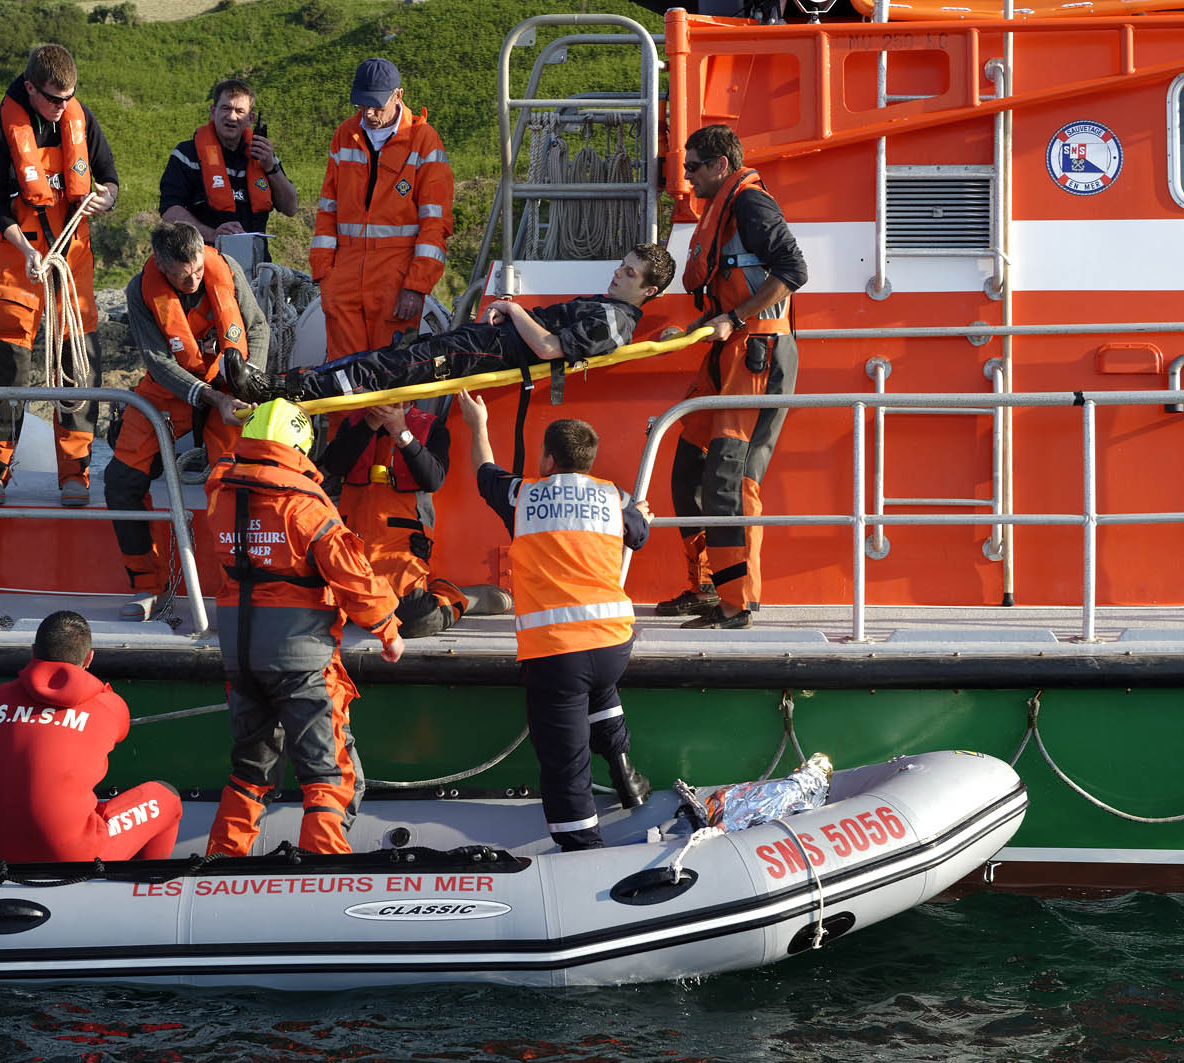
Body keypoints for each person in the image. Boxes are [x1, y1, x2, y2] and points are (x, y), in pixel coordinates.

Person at [202, 399, 405, 857]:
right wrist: (387, 629)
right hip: (300, 659)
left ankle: (222, 862)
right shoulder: (305, 505)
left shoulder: (220, 495)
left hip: (240, 657)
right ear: (300, 445)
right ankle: (324, 870)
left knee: (251, 768)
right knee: (328, 774)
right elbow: (352, 574)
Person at [459, 393, 652, 851]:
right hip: (612, 646)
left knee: (566, 762)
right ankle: (625, 772)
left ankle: (582, 848)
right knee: (600, 690)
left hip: (556, 653)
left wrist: (478, 424)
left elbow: (485, 473)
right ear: (589, 460)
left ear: (548, 458)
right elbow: (639, 533)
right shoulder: (612, 496)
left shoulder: (522, 495)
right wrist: (638, 516)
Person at [658, 124, 808, 630]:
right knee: (688, 468)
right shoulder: (728, 207)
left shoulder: (751, 204)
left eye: (693, 166)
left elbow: (793, 269)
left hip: (756, 356)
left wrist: (737, 318)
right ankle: (706, 586)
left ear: (721, 165)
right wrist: (701, 326)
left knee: (730, 478)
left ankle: (736, 603)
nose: (687, 176)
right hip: (731, 352)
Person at [220, 244, 677, 404]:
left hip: (482, 354)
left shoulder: (613, 322)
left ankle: (276, 390)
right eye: (622, 265)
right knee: (383, 362)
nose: (618, 273)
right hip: (481, 343)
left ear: (648, 291)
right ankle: (280, 384)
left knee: (378, 372)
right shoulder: (606, 307)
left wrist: (514, 309)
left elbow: (550, 349)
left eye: (630, 273)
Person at [0, 42, 119, 507]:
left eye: (68, 98)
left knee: (78, 361)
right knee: (7, 367)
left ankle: (75, 474)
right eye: (54, 99)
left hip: (72, 258)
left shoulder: (82, 118)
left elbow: (110, 179)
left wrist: (106, 198)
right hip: (18, 261)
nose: (62, 108)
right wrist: (25, 248)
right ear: (31, 88)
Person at [106, 222, 268, 621]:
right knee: (121, 482)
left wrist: (250, 377)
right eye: (183, 275)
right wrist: (206, 395)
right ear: (162, 267)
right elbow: (158, 363)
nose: (194, 280)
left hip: (230, 392)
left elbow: (259, 328)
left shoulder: (227, 268)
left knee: (239, 486)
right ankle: (148, 585)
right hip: (168, 392)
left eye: (198, 270)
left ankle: (243, 586)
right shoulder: (138, 291)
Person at [0, 610, 182, 863]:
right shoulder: (109, 705)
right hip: (72, 855)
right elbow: (118, 733)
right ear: (88, 658)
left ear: (32, 651)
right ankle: (142, 890)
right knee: (166, 797)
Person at [320, 402, 512, 637]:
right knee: (329, 612)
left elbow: (433, 479)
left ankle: (456, 597)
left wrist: (401, 432)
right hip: (352, 541)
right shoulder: (353, 422)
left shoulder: (431, 426)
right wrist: (371, 423)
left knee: (415, 620)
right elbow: (333, 465)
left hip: (400, 543)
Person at [311, 57, 452, 359]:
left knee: (391, 385)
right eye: (362, 104)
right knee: (343, 384)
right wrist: (324, 274)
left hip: (396, 284)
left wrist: (416, 286)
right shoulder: (344, 135)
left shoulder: (424, 142)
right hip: (343, 281)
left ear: (398, 95)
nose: (369, 113)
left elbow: (435, 224)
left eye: (376, 104)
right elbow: (327, 209)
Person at [160, 77, 298, 248]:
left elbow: (291, 208)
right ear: (213, 111)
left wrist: (271, 167)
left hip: (254, 259)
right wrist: (213, 234)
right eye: (226, 108)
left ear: (251, 119)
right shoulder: (186, 154)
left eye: (240, 111)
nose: (232, 117)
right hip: (203, 259)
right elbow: (169, 210)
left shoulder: (264, 156)